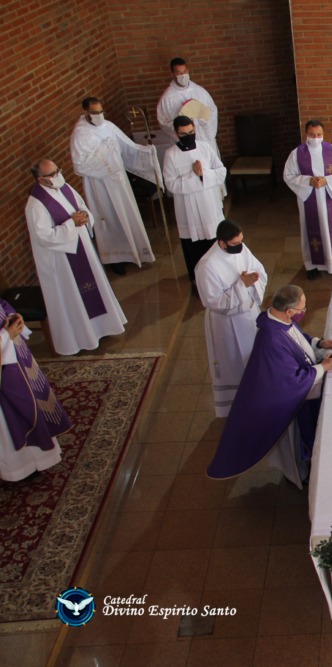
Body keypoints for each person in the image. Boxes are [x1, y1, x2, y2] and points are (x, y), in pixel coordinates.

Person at [207, 285, 332, 488]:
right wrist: (323, 367)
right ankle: (299, 475)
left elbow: (297, 339)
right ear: (289, 311)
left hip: (287, 393)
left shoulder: (277, 320)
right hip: (283, 405)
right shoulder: (271, 339)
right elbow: (291, 382)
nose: (303, 313)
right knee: (293, 446)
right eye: (302, 310)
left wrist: (319, 344)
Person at [24, 160, 127, 356]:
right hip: (63, 260)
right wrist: (72, 224)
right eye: (53, 174)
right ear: (40, 179)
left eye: (58, 170)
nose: (58, 176)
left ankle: (103, 327)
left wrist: (85, 217)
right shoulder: (35, 205)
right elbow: (44, 237)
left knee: (94, 288)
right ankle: (83, 336)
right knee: (74, 298)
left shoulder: (65, 187)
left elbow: (81, 206)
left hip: (82, 250)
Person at [70, 96, 159, 275]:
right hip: (100, 184)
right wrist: (105, 151)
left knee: (127, 213)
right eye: (95, 113)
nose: (99, 115)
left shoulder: (107, 125)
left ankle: (136, 251)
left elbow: (126, 145)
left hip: (118, 181)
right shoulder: (80, 134)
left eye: (101, 111)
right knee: (110, 218)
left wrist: (145, 151)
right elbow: (80, 165)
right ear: (86, 113)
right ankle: (115, 258)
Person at [194, 220, 268, 418]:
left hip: (249, 314)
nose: (240, 247)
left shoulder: (240, 249)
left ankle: (257, 396)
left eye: (242, 241)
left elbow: (258, 269)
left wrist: (254, 279)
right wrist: (241, 285)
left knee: (253, 356)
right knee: (234, 362)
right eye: (235, 244)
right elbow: (212, 300)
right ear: (222, 243)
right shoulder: (207, 265)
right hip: (227, 323)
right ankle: (238, 406)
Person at [0, 299, 72, 481]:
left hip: (13, 356)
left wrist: (12, 317)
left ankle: (40, 458)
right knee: (12, 419)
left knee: (32, 403)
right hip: (4, 371)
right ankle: (19, 469)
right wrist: (6, 335)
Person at [163, 115, 227, 288]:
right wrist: (193, 176)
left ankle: (219, 276)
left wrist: (203, 175)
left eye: (191, 132)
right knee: (194, 247)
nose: (189, 136)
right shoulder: (170, 155)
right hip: (187, 210)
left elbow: (221, 171)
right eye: (184, 134)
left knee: (214, 242)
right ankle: (198, 281)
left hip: (209, 205)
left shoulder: (205, 147)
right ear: (176, 134)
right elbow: (170, 184)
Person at [282, 120, 332, 279]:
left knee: (331, 230)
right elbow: (288, 175)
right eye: (312, 135)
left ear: (323, 134)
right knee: (310, 231)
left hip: (328, 196)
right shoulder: (297, 154)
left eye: (319, 135)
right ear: (306, 134)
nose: (316, 138)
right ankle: (311, 265)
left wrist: (328, 180)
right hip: (308, 198)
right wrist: (308, 181)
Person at [156, 57, 220, 159]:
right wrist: (183, 122)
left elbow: (212, 110)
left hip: (205, 141)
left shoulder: (200, 91)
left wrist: (203, 118)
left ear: (188, 71)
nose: (183, 75)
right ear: (172, 74)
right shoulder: (167, 98)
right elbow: (164, 123)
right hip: (186, 145)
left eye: (185, 71)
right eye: (179, 73)